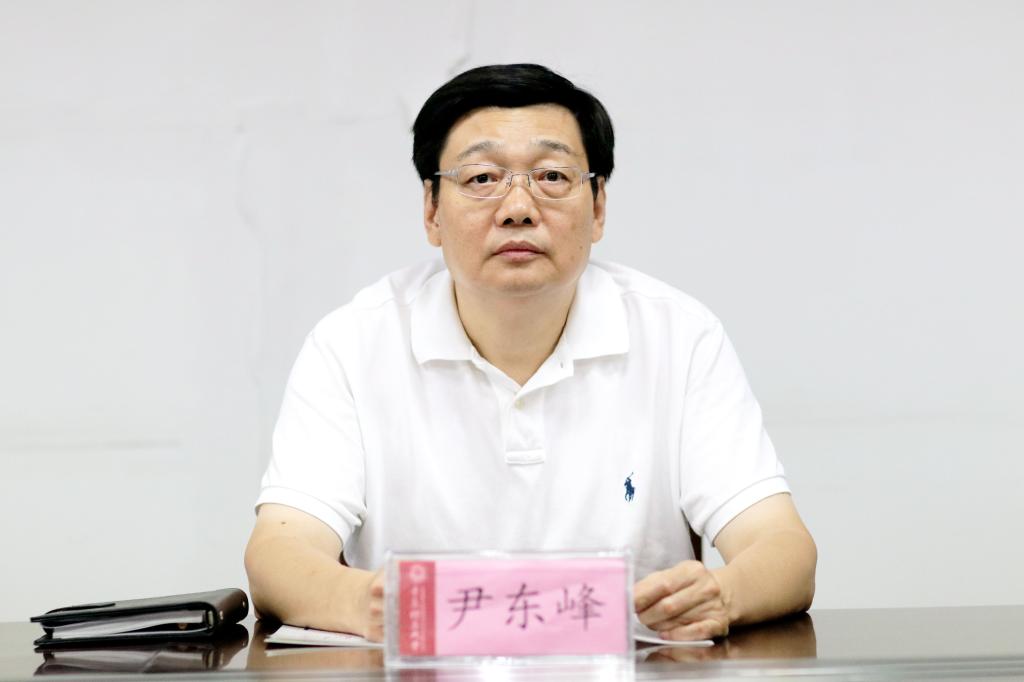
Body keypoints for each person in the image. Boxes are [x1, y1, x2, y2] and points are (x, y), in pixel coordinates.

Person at [244, 63, 816, 643]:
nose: (518, 207)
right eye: (482, 178)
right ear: (432, 210)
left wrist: (724, 595)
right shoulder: (353, 344)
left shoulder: (679, 336)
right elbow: (278, 554)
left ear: (597, 207)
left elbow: (783, 548)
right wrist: (370, 605)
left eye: (551, 176)